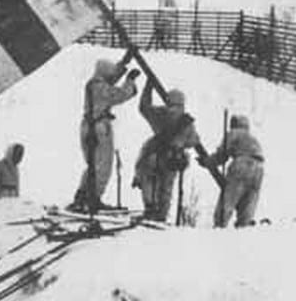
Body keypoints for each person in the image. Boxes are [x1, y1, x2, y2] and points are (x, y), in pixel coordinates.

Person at [67, 55, 139, 213]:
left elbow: (110, 80)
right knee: (103, 165)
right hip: (100, 128)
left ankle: (82, 196)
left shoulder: (92, 84)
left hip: (87, 126)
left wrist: (123, 64)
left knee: (92, 165)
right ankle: (94, 198)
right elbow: (120, 94)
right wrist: (130, 81)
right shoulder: (101, 87)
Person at [133, 80, 200, 222]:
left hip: (156, 154)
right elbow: (194, 141)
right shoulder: (187, 121)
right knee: (167, 187)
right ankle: (162, 215)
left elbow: (144, 108)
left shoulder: (160, 113)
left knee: (149, 179)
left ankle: (150, 208)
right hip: (174, 158)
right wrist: (181, 142)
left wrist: (148, 89)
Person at [203, 115, 264, 228]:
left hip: (241, 164)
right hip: (259, 168)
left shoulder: (233, 133)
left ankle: (219, 230)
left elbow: (222, 155)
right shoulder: (252, 138)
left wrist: (208, 162)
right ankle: (243, 228)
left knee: (227, 204)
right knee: (248, 204)